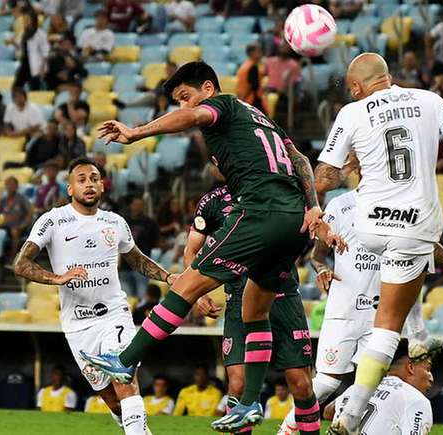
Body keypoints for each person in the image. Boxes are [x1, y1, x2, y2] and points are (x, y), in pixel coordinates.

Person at [83, 61, 343, 433]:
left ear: (208, 88)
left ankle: (126, 359)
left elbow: (193, 119)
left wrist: (136, 132)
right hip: (295, 220)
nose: (184, 107)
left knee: (187, 284)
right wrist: (314, 205)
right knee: (255, 312)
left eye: (185, 98)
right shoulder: (260, 118)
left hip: (261, 212)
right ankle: (250, 404)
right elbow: (300, 159)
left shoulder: (222, 105)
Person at [312, 52, 443, 435]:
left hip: (369, 226)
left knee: (387, 294)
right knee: (389, 325)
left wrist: (307, 203)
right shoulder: (430, 100)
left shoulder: (351, 114)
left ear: (356, 87)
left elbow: (323, 176)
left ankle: (410, 328)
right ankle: (354, 412)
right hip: (414, 225)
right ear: (388, 77)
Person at [280, 183, 443, 434]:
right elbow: (318, 256)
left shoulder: (400, 207)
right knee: (327, 382)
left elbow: (426, 245)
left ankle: (351, 427)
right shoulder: (341, 205)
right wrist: (323, 269)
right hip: (344, 310)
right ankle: (286, 429)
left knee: (370, 386)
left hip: (380, 317)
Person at [15, 157, 175, 434]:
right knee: (113, 403)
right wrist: (58, 278)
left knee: (123, 378)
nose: (89, 184)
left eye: (94, 179)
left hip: (114, 314)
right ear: (69, 188)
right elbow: (21, 264)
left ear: (102, 185)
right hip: (77, 325)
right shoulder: (54, 220)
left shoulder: (114, 222)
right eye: (82, 179)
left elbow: (136, 259)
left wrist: (169, 276)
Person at [186, 181, 317, 435]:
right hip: (237, 300)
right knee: (237, 384)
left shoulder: (279, 189)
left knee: (300, 384)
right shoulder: (212, 202)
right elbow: (191, 251)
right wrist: (197, 294)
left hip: (281, 295)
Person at [327, 339, 439, 435]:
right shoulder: (415, 399)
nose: (431, 378)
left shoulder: (356, 389)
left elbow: (328, 411)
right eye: (428, 369)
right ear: (410, 367)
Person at [119, 196, 159, 298]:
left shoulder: (149, 222)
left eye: (140, 205)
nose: (137, 207)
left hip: (142, 265)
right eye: (135, 205)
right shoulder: (124, 221)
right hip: (125, 265)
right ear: (131, 206)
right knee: (127, 299)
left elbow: (155, 241)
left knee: (142, 296)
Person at [0, 176, 33, 261]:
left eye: (12, 184)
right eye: (8, 184)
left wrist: (23, 225)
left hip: (20, 225)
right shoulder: (3, 200)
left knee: (14, 232)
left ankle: (13, 258)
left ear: (16, 186)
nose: (10, 186)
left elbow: (30, 213)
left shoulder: (22, 198)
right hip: (6, 225)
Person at [14, 9, 49, 90]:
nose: (25, 21)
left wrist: (43, 68)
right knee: (16, 87)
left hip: (35, 66)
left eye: (27, 19)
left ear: (33, 20)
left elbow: (45, 52)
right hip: (24, 64)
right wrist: (13, 42)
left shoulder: (40, 34)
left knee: (34, 89)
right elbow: (20, 47)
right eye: (24, 19)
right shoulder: (23, 33)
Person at [237, 44, 267, 113]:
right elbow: (251, 85)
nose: (261, 54)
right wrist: (242, 99)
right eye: (258, 52)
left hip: (244, 98)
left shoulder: (244, 65)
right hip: (251, 99)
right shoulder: (253, 67)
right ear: (252, 53)